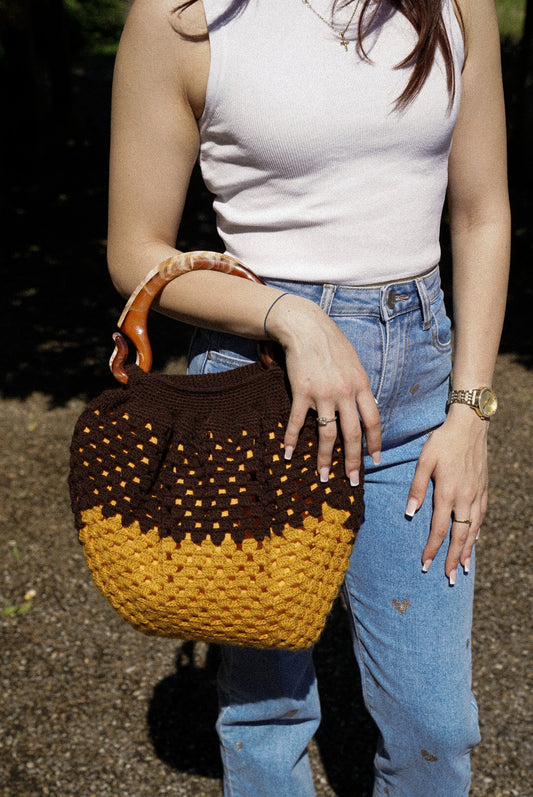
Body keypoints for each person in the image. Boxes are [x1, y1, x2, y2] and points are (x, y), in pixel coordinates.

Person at [107, 0, 510, 793]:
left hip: (418, 389)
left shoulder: (458, 4)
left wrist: (470, 410)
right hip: (259, 382)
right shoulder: (180, 16)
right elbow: (134, 251)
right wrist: (288, 315)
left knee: (435, 721)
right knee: (266, 707)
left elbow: (480, 213)